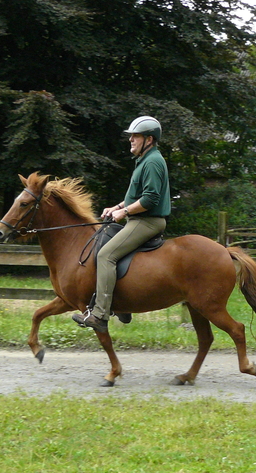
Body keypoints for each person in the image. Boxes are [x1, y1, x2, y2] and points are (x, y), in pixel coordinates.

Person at [73, 116, 171, 333]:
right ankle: (122, 304)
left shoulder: (153, 161)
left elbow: (150, 199)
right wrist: (115, 207)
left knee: (105, 255)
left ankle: (100, 314)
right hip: (138, 219)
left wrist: (124, 212)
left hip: (148, 222)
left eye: (135, 136)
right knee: (103, 240)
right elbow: (135, 196)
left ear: (149, 139)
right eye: (131, 137)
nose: (131, 140)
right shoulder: (144, 160)